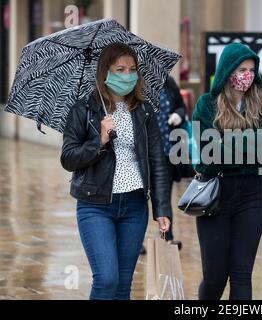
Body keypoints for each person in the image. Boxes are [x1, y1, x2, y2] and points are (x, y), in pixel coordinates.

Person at [60, 42, 172, 300]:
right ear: (105, 72)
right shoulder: (84, 109)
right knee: (107, 279)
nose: (127, 75)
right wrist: (98, 141)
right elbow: (68, 158)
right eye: (119, 69)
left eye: (132, 69)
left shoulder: (144, 111)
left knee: (123, 284)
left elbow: (157, 160)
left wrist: (162, 208)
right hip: (95, 205)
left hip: (134, 205)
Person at [192, 42, 262, 300]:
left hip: (251, 196)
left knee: (242, 274)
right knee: (215, 276)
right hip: (215, 196)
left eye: (251, 70)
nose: (247, 75)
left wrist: (227, 143)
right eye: (241, 69)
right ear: (227, 71)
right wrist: (249, 145)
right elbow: (210, 155)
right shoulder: (206, 104)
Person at [140, 76, 186, 255]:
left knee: (164, 196)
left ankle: (167, 237)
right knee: (139, 198)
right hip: (142, 153)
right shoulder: (136, 85)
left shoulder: (169, 84)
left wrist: (178, 115)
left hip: (167, 150)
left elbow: (181, 107)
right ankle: (135, 241)